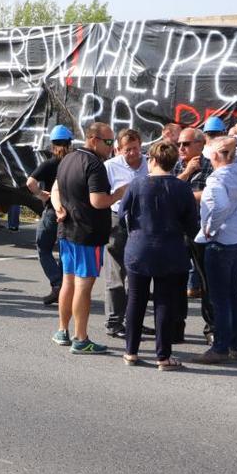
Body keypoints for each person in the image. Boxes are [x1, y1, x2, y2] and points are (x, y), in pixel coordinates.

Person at [118, 141, 198, 370]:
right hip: (171, 250)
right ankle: (163, 356)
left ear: (152, 160)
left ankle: (130, 351)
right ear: (174, 162)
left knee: (135, 299)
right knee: (165, 302)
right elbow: (192, 225)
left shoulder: (137, 184)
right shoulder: (183, 188)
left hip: (139, 249)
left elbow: (123, 214)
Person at [50, 122, 125, 354]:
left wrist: (58, 208)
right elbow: (98, 201)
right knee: (83, 286)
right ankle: (80, 338)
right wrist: (118, 194)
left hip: (67, 231)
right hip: (87, 234)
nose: (112, 147)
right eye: (109, 142)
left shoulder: (67, 159)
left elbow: (56, 190)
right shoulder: (94, 164)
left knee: (68, 282)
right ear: (93, 139)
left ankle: (62, 331)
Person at [192, 134, 237, 364]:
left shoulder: (216, 179)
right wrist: (234, 137)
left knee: (220, 298)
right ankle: (235, 346)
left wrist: (210, 228)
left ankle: (220, 347)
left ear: (215, 156)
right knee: (234, 294)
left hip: (220, 241)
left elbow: (221, 206)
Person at [102, 128, 149, 339]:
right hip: (118, 222)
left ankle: (134, 319)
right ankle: (114, 322)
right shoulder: (110, 167)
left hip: (143, 222)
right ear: (118, 150)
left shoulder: (149, 163)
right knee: (116, 274)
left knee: (138, 275)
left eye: (136, 149)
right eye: (128, 150)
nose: (133, 153)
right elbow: (101, 195)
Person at [173, 126, 215, 343]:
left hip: (200, 231)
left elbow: (211, 194)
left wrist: (184, 194)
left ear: (201, 145)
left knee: (207, 282)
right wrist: (187, 172)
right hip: (175, 233)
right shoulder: (175, 165)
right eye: (179, 143)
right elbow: (166, 190)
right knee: (176, 281)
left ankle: (211, 329)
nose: (181, 148)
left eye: (186, 144)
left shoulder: (211, 167)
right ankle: (176, 328)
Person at [26, 124, 72, 305]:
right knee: (64, 252)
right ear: (69, 142)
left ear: (52, 143)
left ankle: (58, 284)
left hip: (53, 212)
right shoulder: (74, 161)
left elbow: (30, 183)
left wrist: (42, 195)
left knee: (43, 247)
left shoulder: (50, 163)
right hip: (71, 214)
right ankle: (65, 287)